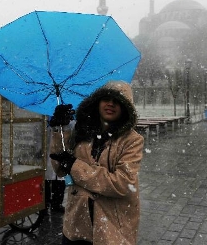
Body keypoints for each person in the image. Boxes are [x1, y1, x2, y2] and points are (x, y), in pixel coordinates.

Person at [49, 81, 144, 245]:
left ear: (125, 107)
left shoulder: (132, 140)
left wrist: (75, 166)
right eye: (106, 98)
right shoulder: (83, 131)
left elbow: (122, 183)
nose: (111, 104)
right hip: (76, 225)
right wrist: (60, 129)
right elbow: (60, 169)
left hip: (111, 228)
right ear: (97, 102)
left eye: (118, 100)